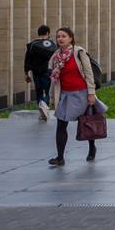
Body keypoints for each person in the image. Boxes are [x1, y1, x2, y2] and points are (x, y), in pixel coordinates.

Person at [48, 26, 104, 166]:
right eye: (58, 36)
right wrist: (52, 97)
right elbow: (54, 79)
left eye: (64, 36)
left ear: (71, 38)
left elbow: (89, 73)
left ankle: (92, 148)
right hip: (65, 95)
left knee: (86, 121)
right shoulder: (56, 56)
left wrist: (91, 93)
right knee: (61, 124)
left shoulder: (79, 52)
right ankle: (60, 157)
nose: (60, 39)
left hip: (81, 93)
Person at [24, 25, 56, 122]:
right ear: (47, 33)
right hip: (48, 72)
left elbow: (27, 60)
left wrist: (27, 73)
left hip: (36, 72)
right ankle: (44, 106)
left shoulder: (32, 45)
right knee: (48, 91)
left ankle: (41, 110)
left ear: (39, 33)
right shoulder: (52, 44)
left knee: (39, 91)